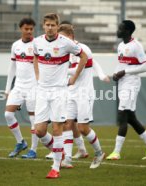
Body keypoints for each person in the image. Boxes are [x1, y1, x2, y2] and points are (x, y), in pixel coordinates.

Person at [33, 13, 88, 179]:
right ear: (43, 26)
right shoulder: (37, 42)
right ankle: (59, 152)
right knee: (40, 131)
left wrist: (74, 77)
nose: (50, 27)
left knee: (57, 127)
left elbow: (83, 56)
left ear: (57, 26)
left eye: (53, 25)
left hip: (59, 91)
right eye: (47, 25)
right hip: (42, 90)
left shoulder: (66, 43)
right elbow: (35, 57)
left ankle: (55, 167)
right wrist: (37, 76)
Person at [106, 20, 146, 160]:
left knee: (122, 114)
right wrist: (116, 74)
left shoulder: (136, 46)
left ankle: (116, 152)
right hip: (123, 82)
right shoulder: (120, 45)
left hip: (132, 83)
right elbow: (122, 64)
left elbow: (145, 67)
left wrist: (125, 72)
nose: (117, 30)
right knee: (131, 118)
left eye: (120, 28)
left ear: (128, 31)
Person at [56, 24, 107, 169]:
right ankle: (68, 159)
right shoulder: (64, 51)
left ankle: (99, 152)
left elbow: (78, 68)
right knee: (67, 124)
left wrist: (58, 70)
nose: (61, 41)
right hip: (71, 93)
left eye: (63, 38)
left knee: (83, 128)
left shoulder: (83, 49)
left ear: (71, 37)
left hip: (84, 93)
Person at [4, 17, 39, 158]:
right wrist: (7, 89)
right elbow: (12, 68)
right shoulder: (15, 45)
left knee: (33, 120)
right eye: (26, 29)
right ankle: (20, 142)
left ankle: (33, 150)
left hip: (33, 87)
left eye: (31, 29)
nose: (29, 31)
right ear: (21, 29)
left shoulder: (37, 45)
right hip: (18, 86)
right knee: (8, 114)